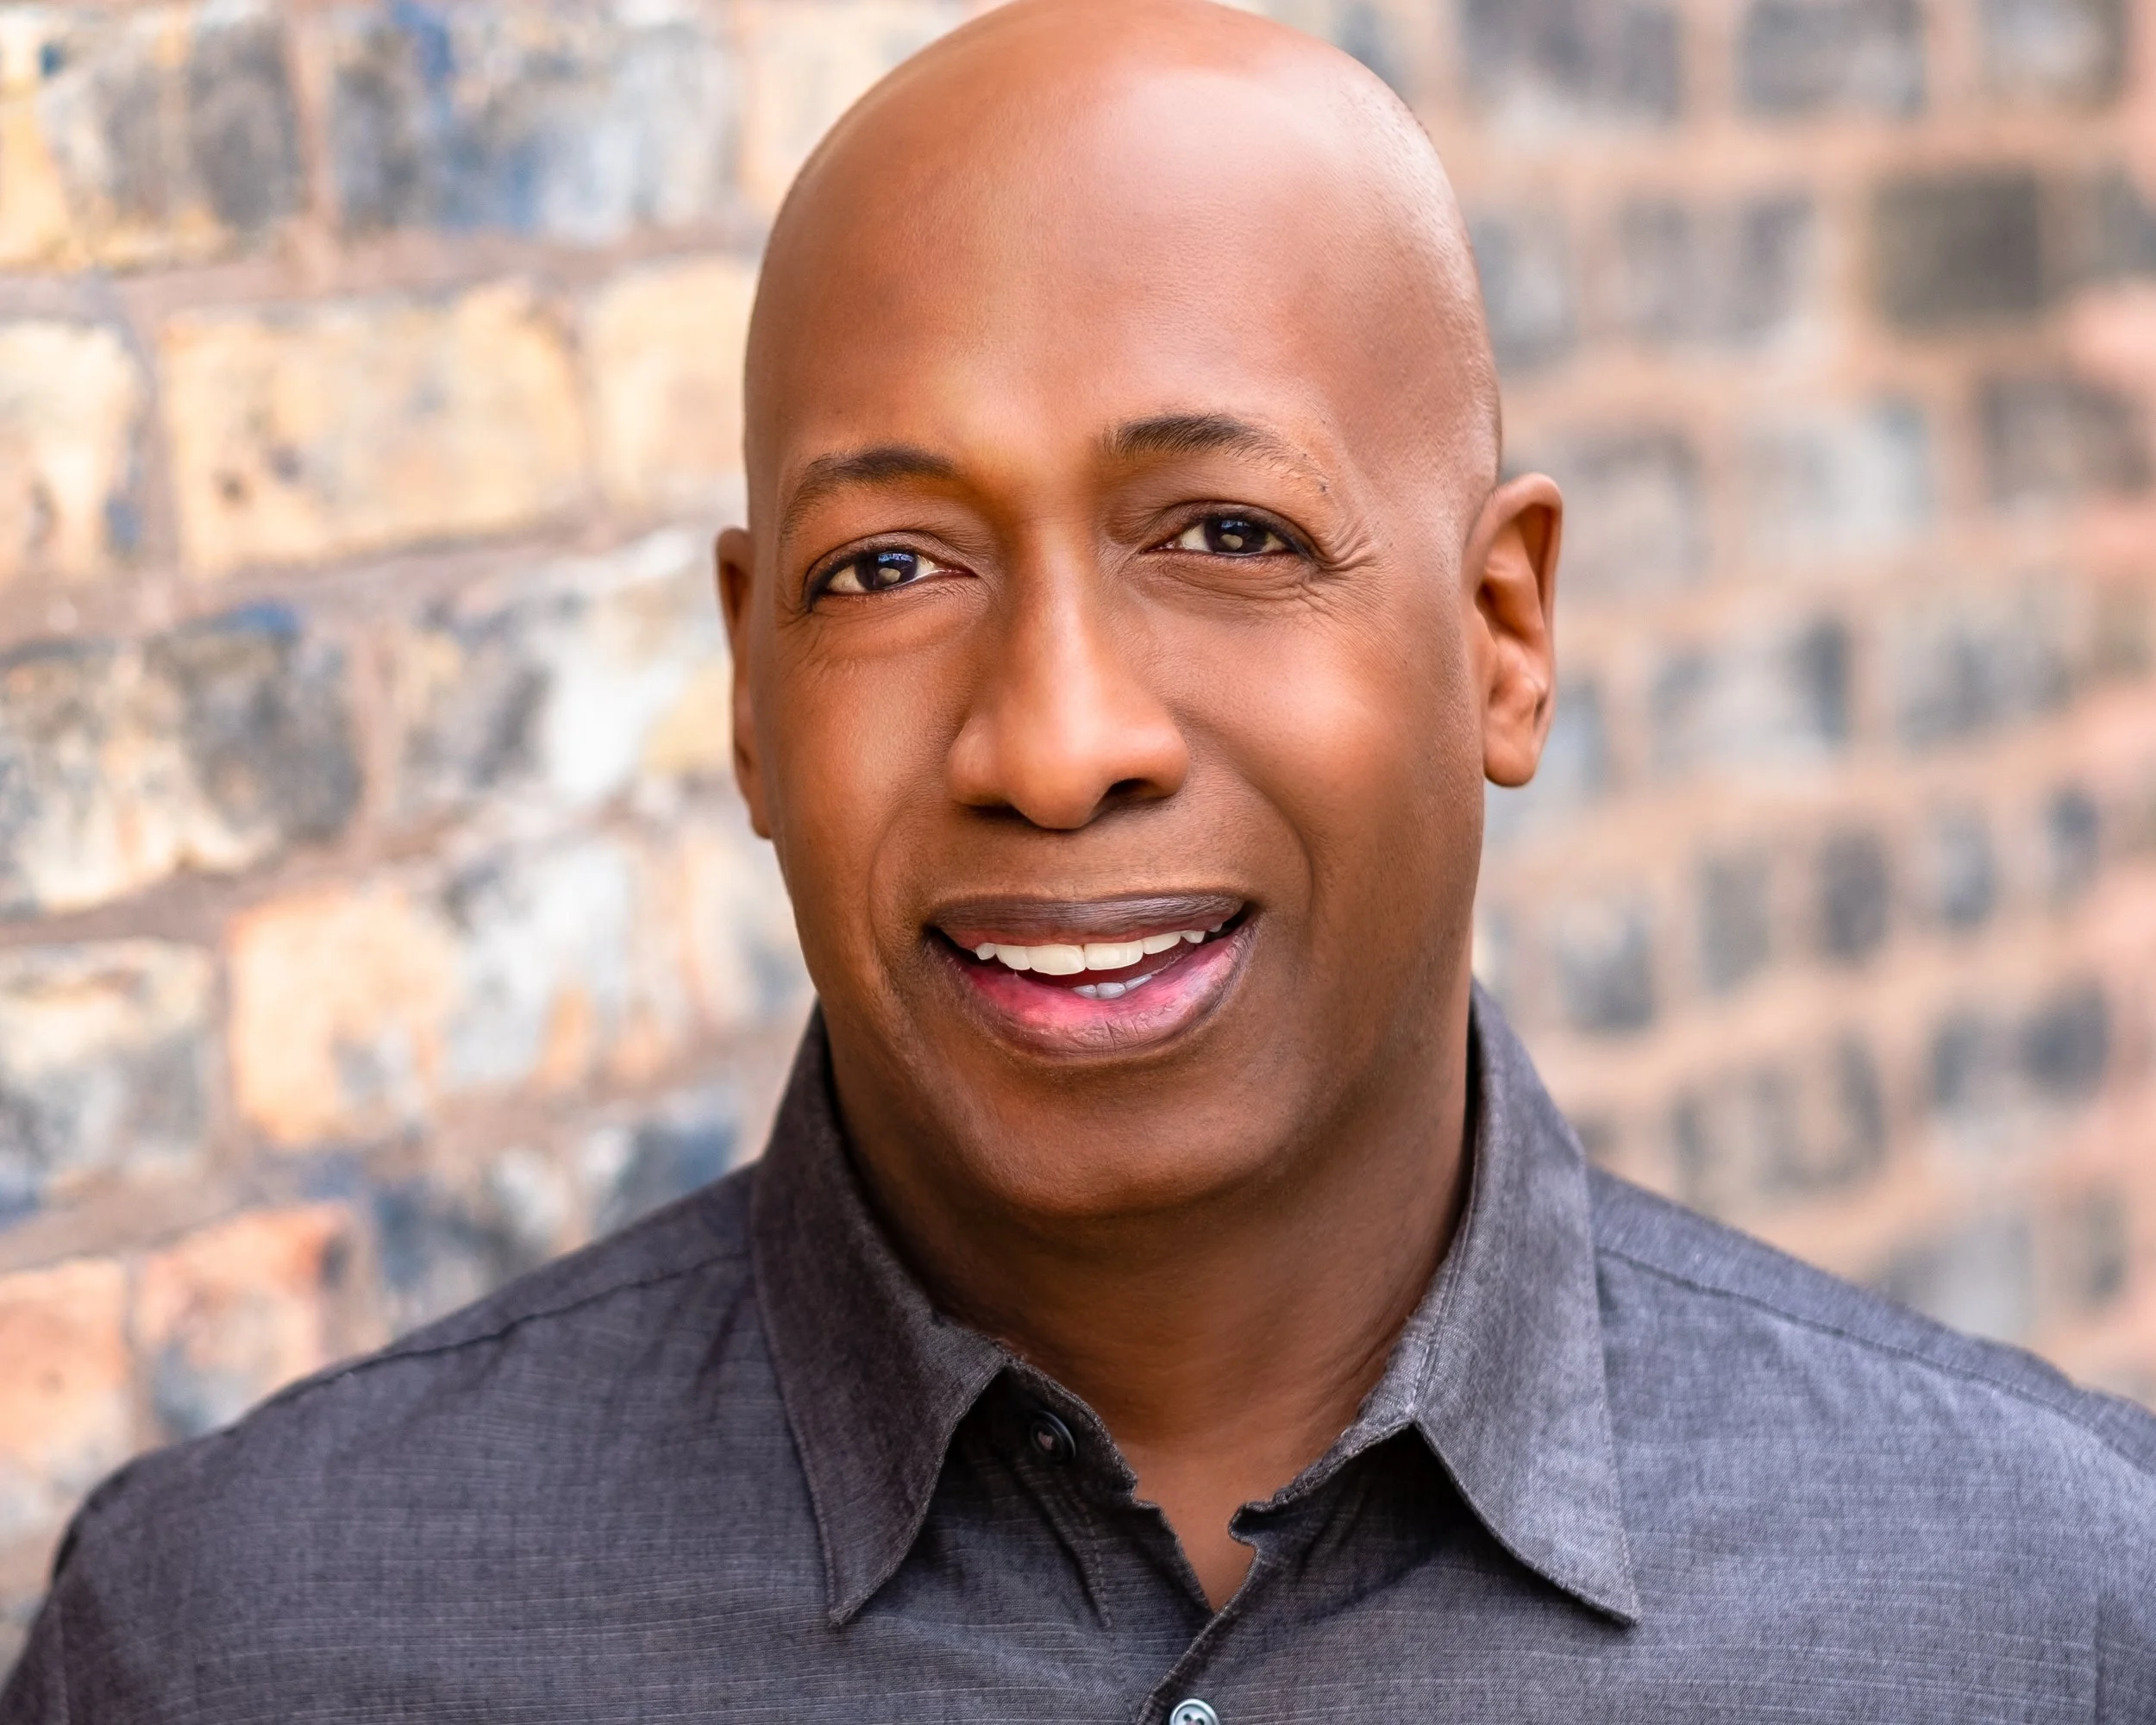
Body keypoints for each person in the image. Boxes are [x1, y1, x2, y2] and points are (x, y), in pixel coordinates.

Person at [7, 1, 2153, 1719]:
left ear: (1499, 635)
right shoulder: (243, 1645)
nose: (1052, 743)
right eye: (887, 566)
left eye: (1228, 534)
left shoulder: (2040, 1614)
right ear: (748, 693)